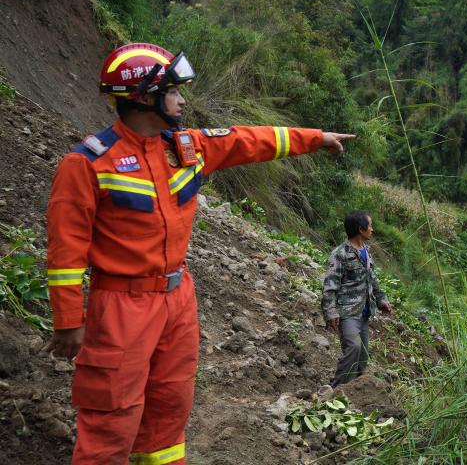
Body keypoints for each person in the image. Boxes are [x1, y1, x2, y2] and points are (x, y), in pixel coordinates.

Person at [42, 43, 354, 464]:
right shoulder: (88, 164)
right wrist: (67, 322)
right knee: (111, 421)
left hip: (177, 301)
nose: (182, 100)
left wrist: (315, 139)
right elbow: (66, 251)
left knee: (169, 410)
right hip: (121, 308)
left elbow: (247, 140)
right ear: (143, 96)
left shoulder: (185, 148)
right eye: (173, 91)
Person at [322, 211, 391, 387]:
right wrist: (330, 312)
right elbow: (330, 285)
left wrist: (381, 300)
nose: (372, 229)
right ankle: (336, 389)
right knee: (353, 347)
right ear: (360, 229)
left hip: (365, 311)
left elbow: (372, 279)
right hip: (347, 311)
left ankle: (356, 391)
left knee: (362, 356)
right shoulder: (340, 254)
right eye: (369, 225)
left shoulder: (366, 252)